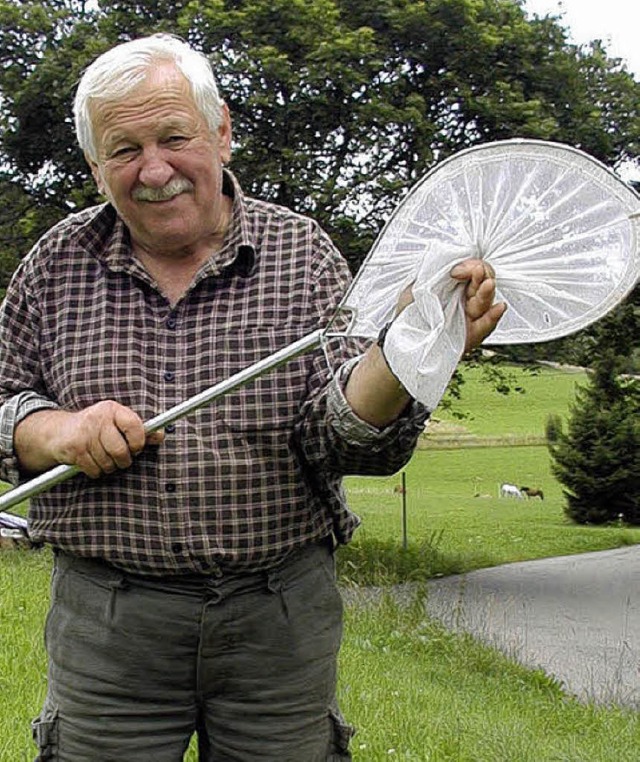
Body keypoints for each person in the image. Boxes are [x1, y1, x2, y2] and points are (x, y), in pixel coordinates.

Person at [0, 34, 505, 761]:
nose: (154, 169)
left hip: (278, 618)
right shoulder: (53, 266)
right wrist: (54, 432)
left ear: (222, 132)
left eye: (175, 136)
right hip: (108, 623)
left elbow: (346, 441)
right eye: (123, 149)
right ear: (93, 163)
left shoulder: (302, 254)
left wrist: (407, 355)